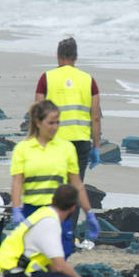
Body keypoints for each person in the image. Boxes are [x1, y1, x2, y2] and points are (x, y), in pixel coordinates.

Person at [0, 183, 94, 277]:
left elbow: (52, 265)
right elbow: (59, 265)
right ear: (73, 208)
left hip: (7, 275)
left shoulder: (42, 215)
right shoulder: (49, 223)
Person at [10, 99, 99, 258]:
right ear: (38, 122)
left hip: (59, 212)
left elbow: (77, 184)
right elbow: (17, 182)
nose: (55, 127)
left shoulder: (66, 148)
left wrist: (89, 213)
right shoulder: (23, 149)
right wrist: (16, 209)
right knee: (34, 258)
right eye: (51, 123)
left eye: (57, 122)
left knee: (61, 255)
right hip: (33, 211)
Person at [36, 36, 102, 180]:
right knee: (75, 188)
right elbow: (95, 117)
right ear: (76, 57)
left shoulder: (46, 78)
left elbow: (38, 112)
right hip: (81, 142)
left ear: (58, 56)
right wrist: (96, 147)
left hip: (54, 139)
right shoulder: (89, 80)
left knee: (55, 186)